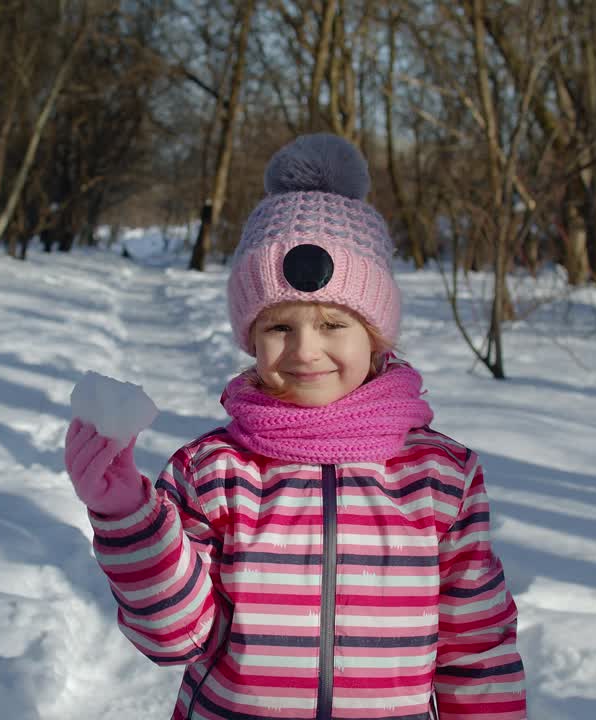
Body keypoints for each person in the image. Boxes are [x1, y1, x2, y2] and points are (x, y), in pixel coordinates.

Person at [64, 134, 527, 720]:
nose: (306, 350)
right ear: (251, 338)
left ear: (376, 334)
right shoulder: (212, 471)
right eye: (279, 327)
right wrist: (127, 515)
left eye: (334, 322)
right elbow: (173, 637)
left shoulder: (440, 477)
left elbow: (477, 650)